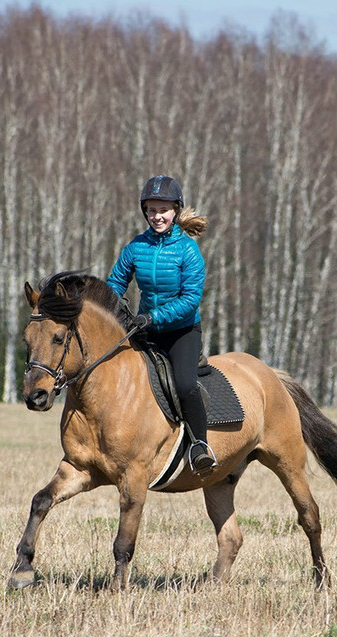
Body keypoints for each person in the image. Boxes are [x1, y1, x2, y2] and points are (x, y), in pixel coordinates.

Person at [107, 175, 216, 473]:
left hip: (182, 331)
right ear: (145, 212)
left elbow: (190, 299)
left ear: (176, 212)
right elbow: (115, 283)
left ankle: (199, 446)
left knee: (183, 384)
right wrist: (109, 308)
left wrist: (153, 316)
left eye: (164, 210)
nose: (157, 216)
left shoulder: (188, 251)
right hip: (146, 329)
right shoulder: (135, 247)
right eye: (152, 210)